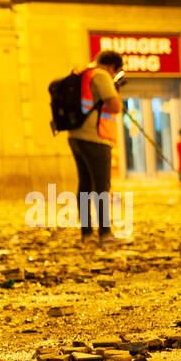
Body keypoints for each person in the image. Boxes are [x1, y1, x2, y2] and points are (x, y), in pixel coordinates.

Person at [67, 49, 123, 242]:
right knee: (101, 186)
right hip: (96, 137)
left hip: (76, 136)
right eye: (115, 72)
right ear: (111, 67)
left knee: (84, 185)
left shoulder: (83, 73)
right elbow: (115, 107)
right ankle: (105, 233)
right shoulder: (101, 75)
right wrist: (116, 89)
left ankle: (87, 232)